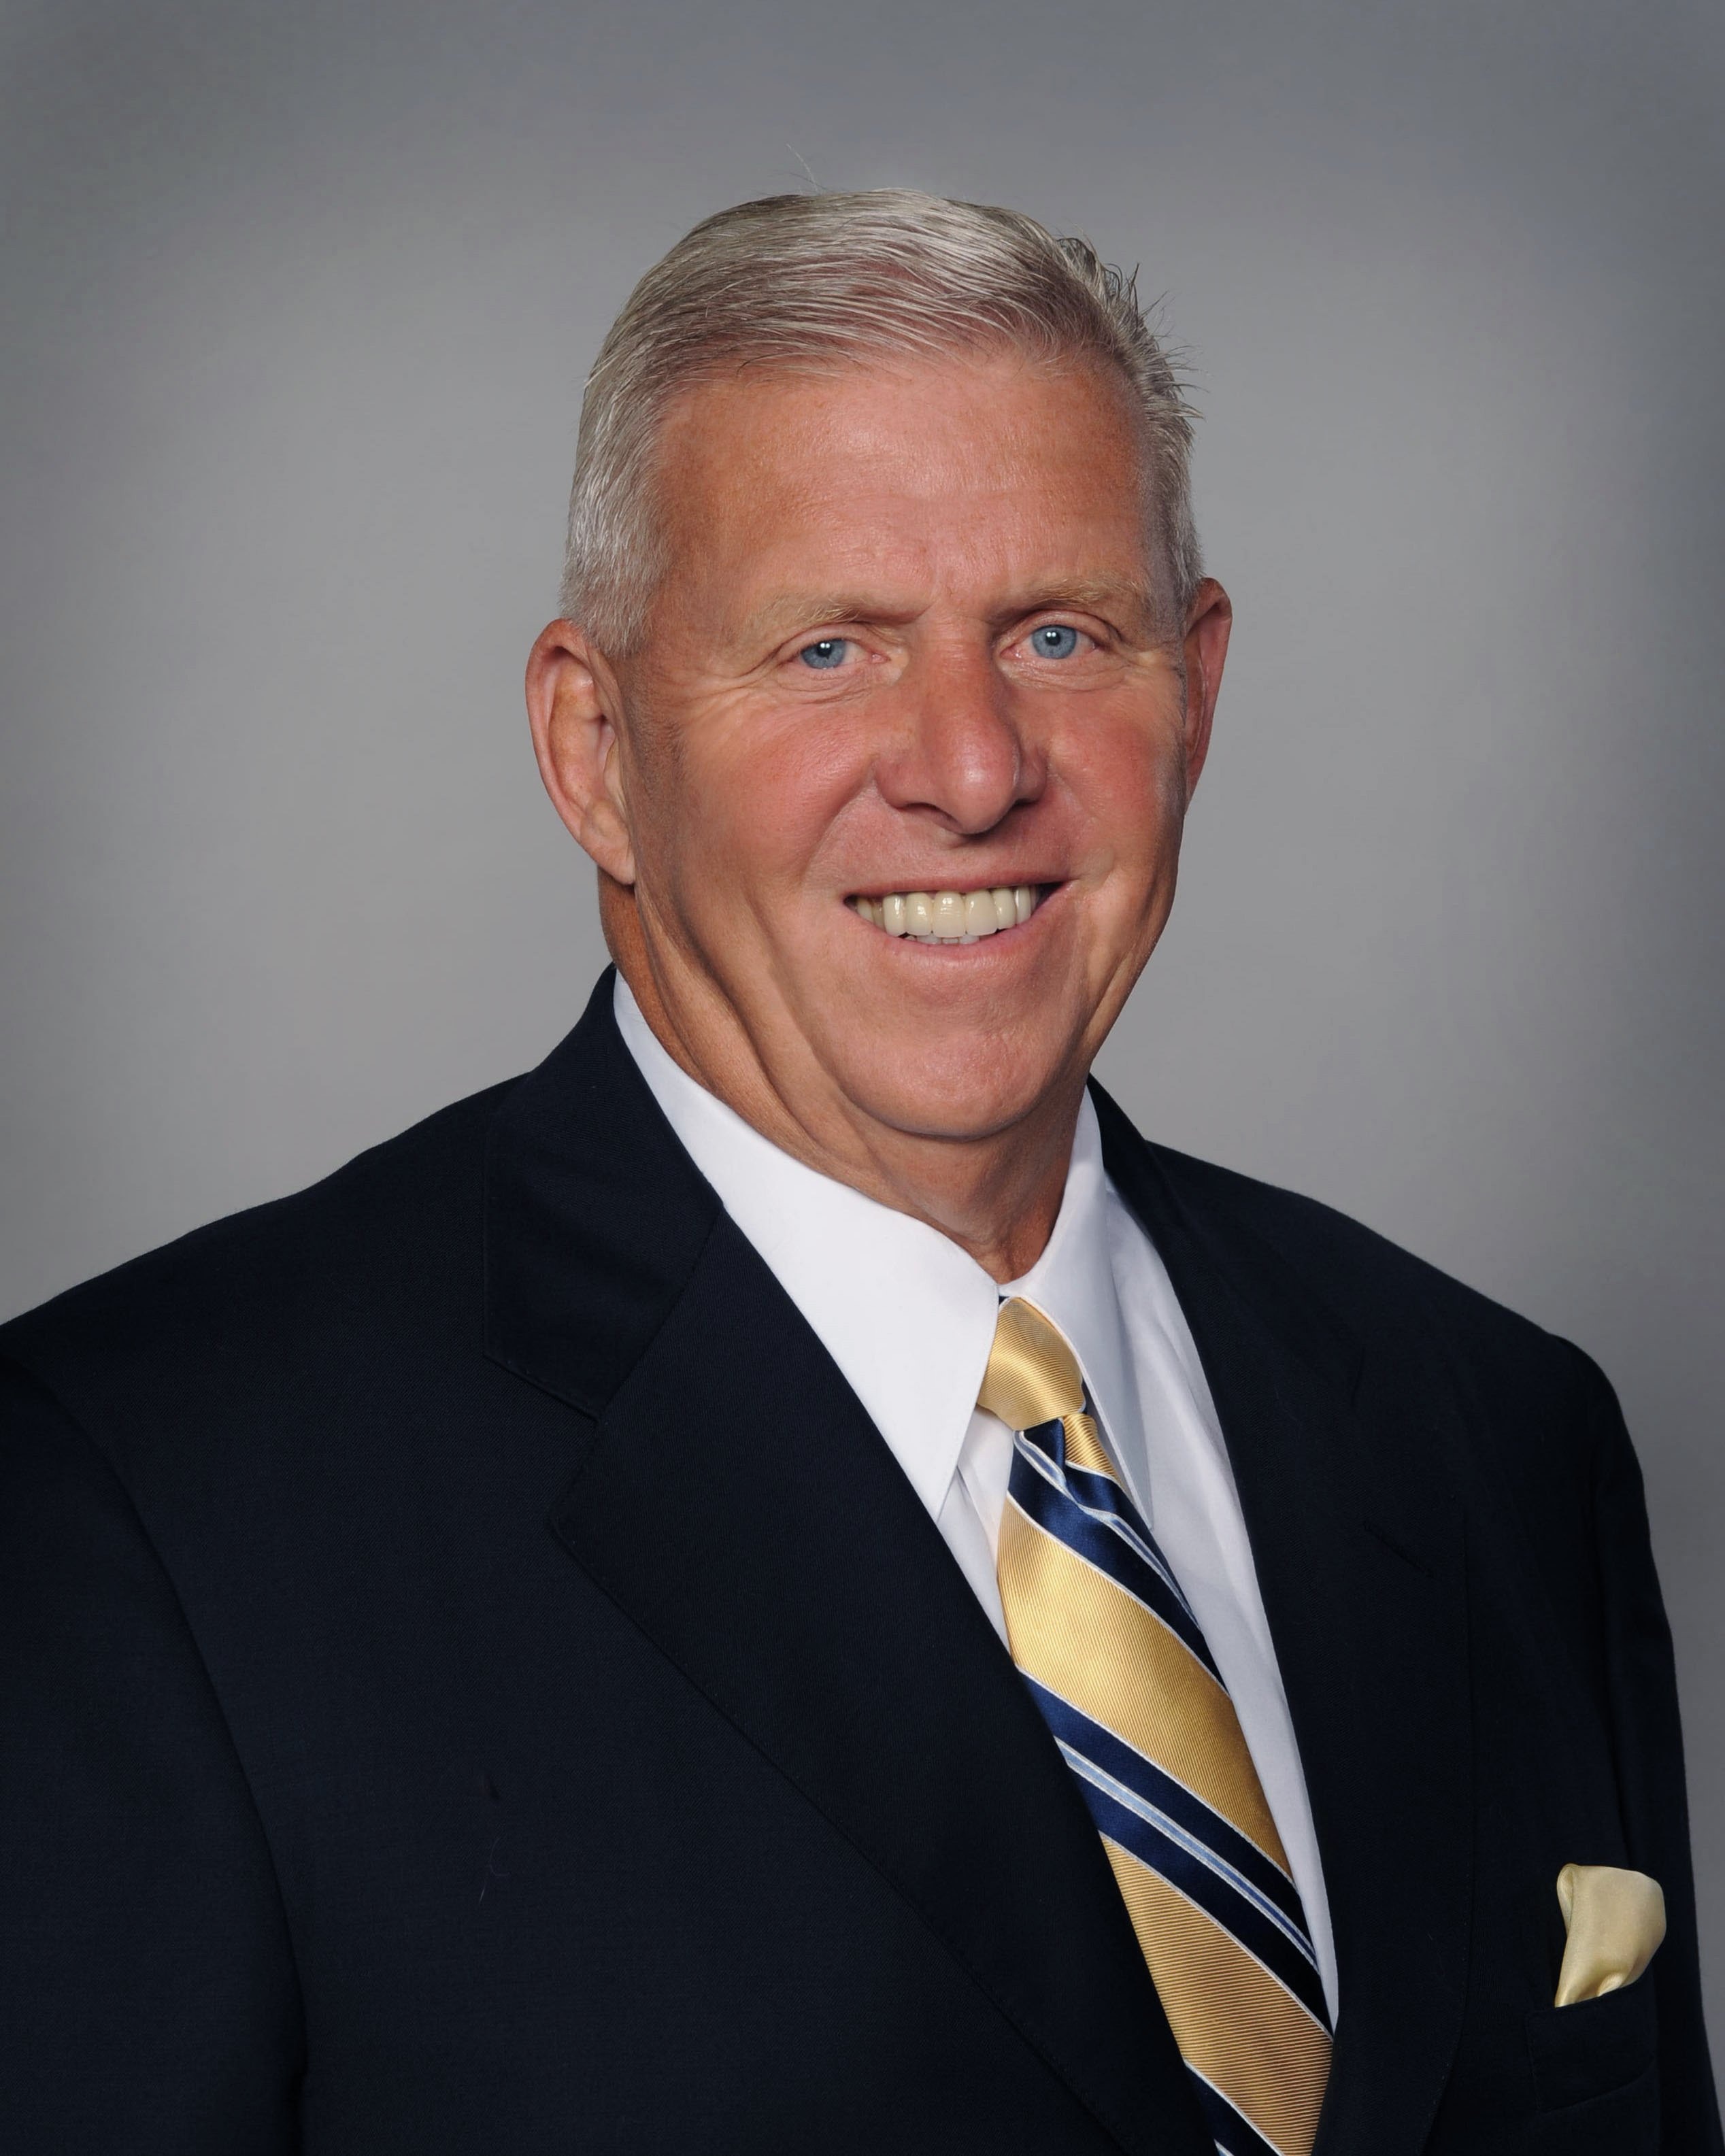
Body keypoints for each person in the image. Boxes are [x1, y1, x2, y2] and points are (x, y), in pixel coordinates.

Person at [1, 190, 1715, 2156]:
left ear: (1201, 688)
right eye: (830, 649)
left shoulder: (1503, 1440)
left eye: (1063, 633)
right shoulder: (147, 1511)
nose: (974, 767)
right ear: (594, 750)